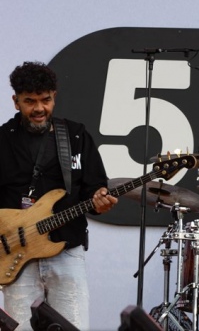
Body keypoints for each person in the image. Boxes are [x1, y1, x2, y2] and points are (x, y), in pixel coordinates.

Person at [0, 61, 117, 330]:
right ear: (16, 101)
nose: (39, 108)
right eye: (30, 101)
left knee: (72, 327)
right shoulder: (2, 140)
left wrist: (101, 200)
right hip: (16, 256)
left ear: (54, 97)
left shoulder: (75, 136)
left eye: (46, 100)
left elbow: (96, 188)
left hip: (66, 249)